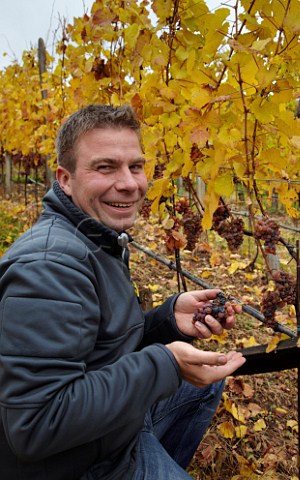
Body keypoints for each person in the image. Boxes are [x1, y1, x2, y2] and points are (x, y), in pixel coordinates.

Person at [0, 104, 245, 480]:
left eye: (135, 166)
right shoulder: (49, 267)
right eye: (105, 167)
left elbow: (97, 344)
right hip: (79, 465)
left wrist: (167, 321)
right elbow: (36, 426)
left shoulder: (93, 235)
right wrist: (164, 363)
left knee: (203, 387)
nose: (130, 183)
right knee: (183, 377)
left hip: (107, 435)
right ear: (64, 179)